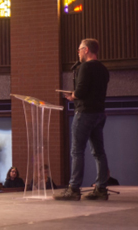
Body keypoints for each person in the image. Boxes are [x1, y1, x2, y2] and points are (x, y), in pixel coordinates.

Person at [56, 39, 111, 201]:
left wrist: (71, 96)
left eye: (79, 49)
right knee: (99, 152)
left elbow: (80, 92)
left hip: (85, 113)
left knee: (77, 151)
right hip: (99, 114)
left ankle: (73, 189)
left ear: (86, 50)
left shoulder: (85, 67)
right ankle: (101, 189)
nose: (78, 52)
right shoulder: (103, 69)